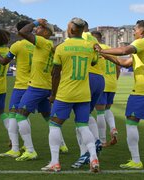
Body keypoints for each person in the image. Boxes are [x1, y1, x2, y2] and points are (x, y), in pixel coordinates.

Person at [41, 17, 99, 172]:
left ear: (71, 30)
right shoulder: (90, 46)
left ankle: (55, 162)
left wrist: (53, 94)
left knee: (54, 125)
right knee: (83, 126)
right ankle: (93, 158)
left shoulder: (61, 48)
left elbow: (55, 74)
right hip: (84, 94)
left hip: (65, 94)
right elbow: (93, 62)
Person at [11, 18, 67, 161]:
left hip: (36, 86)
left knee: (20, 115)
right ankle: (62, 144)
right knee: (49, 118)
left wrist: (36, 22)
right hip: (46, 87)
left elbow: (22, 31)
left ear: (47, 32)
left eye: (40, 28)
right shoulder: (50, 46)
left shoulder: (43, 42)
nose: (36, 30)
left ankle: (30, 150)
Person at [95, 20, 144, 169]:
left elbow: (123, 51)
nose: (134, 32)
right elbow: (124, 62)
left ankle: (136, 160)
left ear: (142, 31)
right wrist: (104, 54)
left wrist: (100, 50)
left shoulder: (141, 42)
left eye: (135, 30)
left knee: (131, 122)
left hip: (141, 91)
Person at [0, 20, 35, 158]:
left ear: (19, 31)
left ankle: (18, 149)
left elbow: (4, 61)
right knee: (46, 116)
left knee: (14, 116)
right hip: (35, 86)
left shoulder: (17, 45)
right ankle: (61, 145)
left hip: (21, 86)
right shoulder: (38, 44)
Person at [71, 21, 104, 169]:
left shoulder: (80, 37)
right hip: (99, 79)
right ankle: (96, 141)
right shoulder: (94, 40)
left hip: (86, 78)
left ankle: (85, 152)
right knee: (87, 113)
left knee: (80, 119)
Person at [92, 31, 119, 147]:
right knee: (107, 109)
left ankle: (102, 140)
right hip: (112, 83)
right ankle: (113, 128)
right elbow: (118, 67)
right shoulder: (110, 49)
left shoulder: (94, 49)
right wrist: (114, 79)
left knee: (100, 112)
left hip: (102, 84)